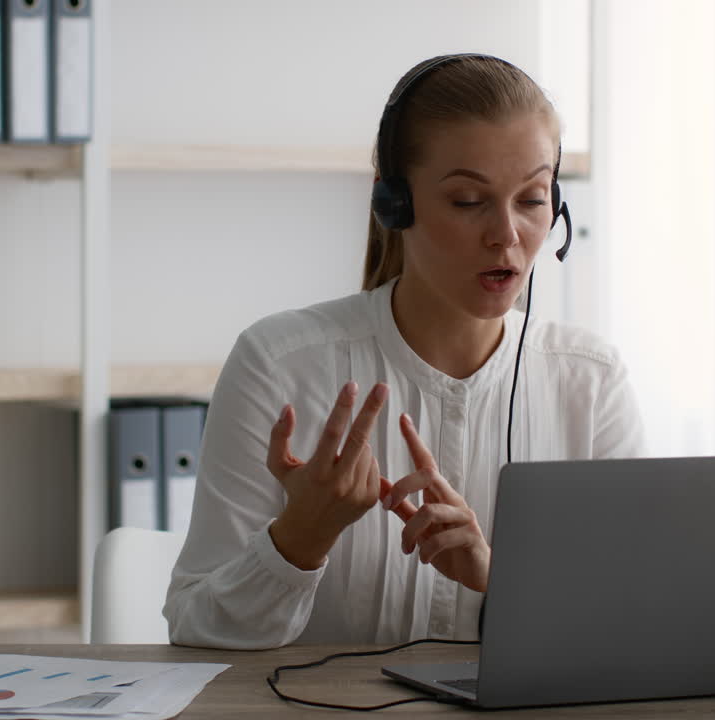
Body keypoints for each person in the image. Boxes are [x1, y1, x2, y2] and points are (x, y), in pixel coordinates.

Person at [163, 54, 644, 650]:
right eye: (468, 200)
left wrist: (497, 581)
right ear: (395, 203)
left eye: (531, 199)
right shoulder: (278, 364)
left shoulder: (590, 382)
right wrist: (299, 539)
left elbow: (628, 632)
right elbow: (195, 630)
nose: (507, 234)